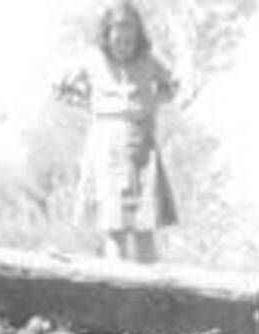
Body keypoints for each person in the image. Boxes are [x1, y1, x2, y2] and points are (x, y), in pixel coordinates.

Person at [55, 1, 179, 263]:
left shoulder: (149, 59)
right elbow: (60, 87)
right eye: (118, 39)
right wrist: (89, 104)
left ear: (138, 36)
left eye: (130, 39)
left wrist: (152, 102)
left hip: (142, 143)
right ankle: (118, 287)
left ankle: (149, 292)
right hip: (106, 144)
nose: (124, 45)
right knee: (115, 225)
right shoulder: (92, 59)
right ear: (107, 35)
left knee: (145, 225)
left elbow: (172, 84)